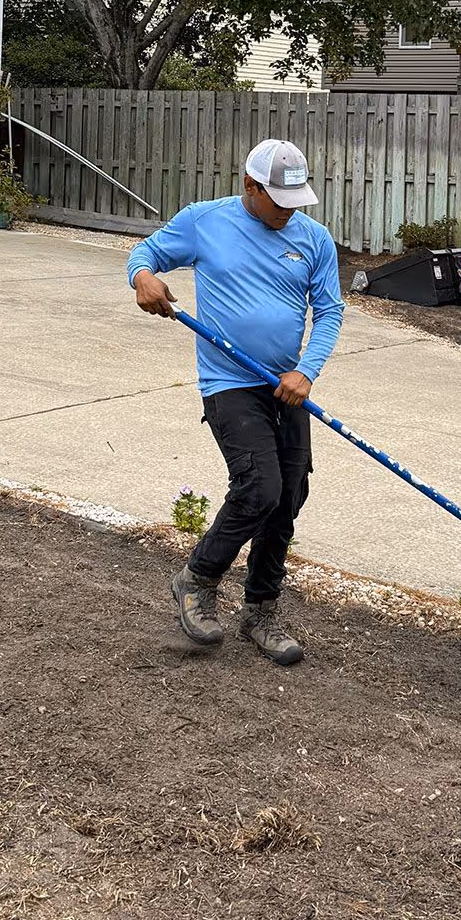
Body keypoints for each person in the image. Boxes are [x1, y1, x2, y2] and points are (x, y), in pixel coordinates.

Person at [127, 139, 344, 666]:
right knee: (259, 486)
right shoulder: (205, 221)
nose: (289, 209)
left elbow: (330, 312)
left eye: (296, 199)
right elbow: (146, 255)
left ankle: (260, 612)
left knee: (288, 496)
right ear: (250, 186)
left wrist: (305, 372)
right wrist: (143, 280)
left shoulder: (314, 239)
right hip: (228, 381)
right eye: (279, 199)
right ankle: (197, 579)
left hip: (286, 385)